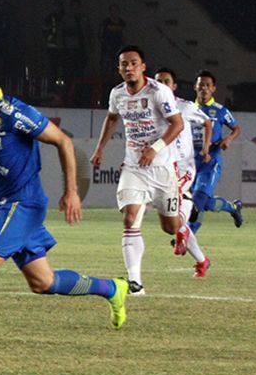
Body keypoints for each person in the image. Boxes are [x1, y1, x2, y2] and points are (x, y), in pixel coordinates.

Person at [0, 55, 128, 365]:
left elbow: (63, 142)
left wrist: (71, 191)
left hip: (23, 205)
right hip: (7, 206)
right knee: (43, 283)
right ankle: (112, 288)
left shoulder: (14, 112)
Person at [90, 46, 184, 295]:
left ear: (143, 67)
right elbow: (111, 119)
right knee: (130, 218)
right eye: (123, 64)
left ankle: (183, 220)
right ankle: (135, 283)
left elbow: (178, 124)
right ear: (119, 68)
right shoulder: (117, 94)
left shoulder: (159, 91)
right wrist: (100, 149)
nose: (128, 68)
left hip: (162, 167)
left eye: (133, 63)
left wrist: (155, 148)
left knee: (171, 228)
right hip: (134, 166)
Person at [154, 68, 212, 277]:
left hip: (183, 166)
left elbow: (207, 122)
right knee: (175, 220)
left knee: (175, 207)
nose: (162, 84)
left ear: (174, 86)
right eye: (158, 80)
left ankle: (182, 234)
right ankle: (202, 260)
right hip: (162, 166)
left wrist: (205, 147)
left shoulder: (184, 107)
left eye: (166, 81)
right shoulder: (151, 108)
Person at [188, 70, 243, 233]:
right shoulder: (188, 109)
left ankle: (188, 238)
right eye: (200, 85)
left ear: (213, 89)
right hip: (191, 162)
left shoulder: (220, 110)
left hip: (211, 161)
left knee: (198, 201)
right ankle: (233, 207)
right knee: (205, 202)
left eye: (207, 85)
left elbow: (236, 128)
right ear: (195, 87)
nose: (203, 88)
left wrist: (228, 139)